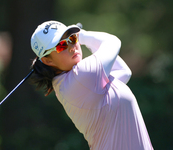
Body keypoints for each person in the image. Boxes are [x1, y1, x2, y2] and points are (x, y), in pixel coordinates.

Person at [30, 20, 154, 150]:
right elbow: (112, 41)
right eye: (61, 46)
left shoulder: (69, 82)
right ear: (47, 60)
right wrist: (82, 36)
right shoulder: (81, 76)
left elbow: (123, 72)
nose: (72, 46)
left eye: (72, 38)